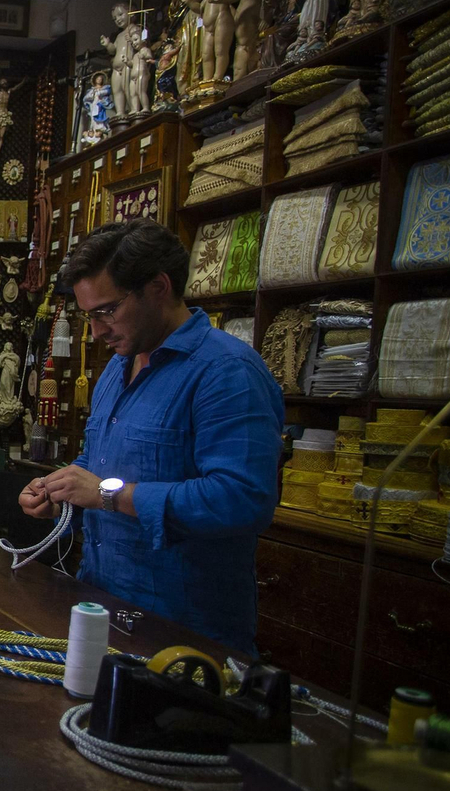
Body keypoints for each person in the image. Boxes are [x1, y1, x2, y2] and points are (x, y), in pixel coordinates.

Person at [17, 220, 283, 652]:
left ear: (158, 287)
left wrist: (105, 493)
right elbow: (99, 463)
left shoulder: (227, 372)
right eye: (90, 316)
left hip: (184, 634)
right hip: (102, 607)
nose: (97, 331)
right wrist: (63, 488)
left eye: (107, 311)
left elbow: (243, 499)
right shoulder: (118, 369)